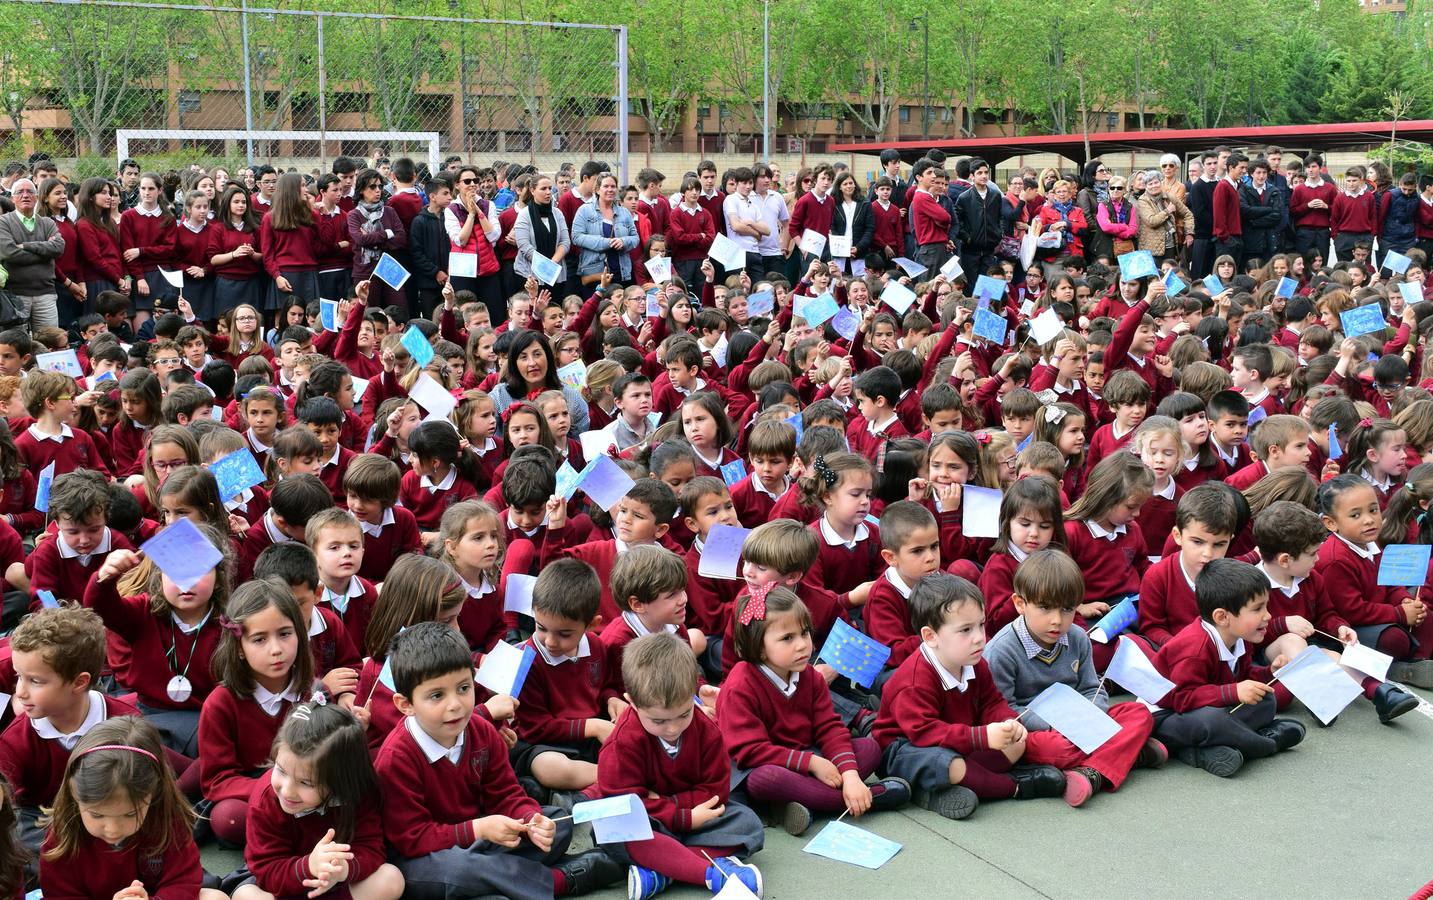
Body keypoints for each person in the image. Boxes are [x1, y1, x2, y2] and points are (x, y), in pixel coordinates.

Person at [373, 622, 621, 899]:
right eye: (436, 695)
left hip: (479, 835)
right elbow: (413, 839)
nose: (455, 704)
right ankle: (559, 881)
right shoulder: (397, 758)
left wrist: (530, 818)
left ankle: (497, 881)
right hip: (426, 856)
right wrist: (478, 829)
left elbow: (506, 794)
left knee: (556, 824)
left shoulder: (481, 731)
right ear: (405, 704)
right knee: (454, 870)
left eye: (464, 688)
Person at [985, 550, 1163, 806]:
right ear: (1020, 603)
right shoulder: (1002, 650)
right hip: (1039, 731)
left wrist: (1090, 715)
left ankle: (1092, 774)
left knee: (1139, 714)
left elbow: (1093, 687)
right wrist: (1054, 722)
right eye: (1045, 608)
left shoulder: (1078, 638)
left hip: (1082, 722)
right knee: (1056, 749)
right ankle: (1128, 753)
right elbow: (1003, 711)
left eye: (1067, 609)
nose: (1057, 620)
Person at [599, 632, 765, 897]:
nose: (673, 728)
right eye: (659, 721)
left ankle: (661, 869)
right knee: (616, 828)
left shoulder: (707, 730)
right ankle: (711, 875)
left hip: (695, 817)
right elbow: (623, 803)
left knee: (748, 824)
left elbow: (716, 790)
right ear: (632, 702)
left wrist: (679, 811)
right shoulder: (621, 743)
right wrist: (681, 815)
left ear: (692, 695)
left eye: (684, 714)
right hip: (653, 824)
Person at [1150, 559, 1307, 777]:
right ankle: (1267, 744)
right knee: (1212, 722)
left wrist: (1269, 672)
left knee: (1266, 699)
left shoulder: (1239, 637)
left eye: (1266, 606)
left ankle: (1203, 752)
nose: (1268, 616)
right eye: (1257, 608)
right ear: (1222, 617)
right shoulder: (1194, 649)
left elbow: (1244, 677)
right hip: (1167, 718)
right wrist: (1233, 691)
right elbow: (1182, 698)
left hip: (1209, 706)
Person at [0, 177, 64, 329]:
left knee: (49, 343)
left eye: (30, 191)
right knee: (17, 344)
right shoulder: (3, 222)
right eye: (20, 192)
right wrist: (45, 253)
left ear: (36, 198)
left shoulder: (47, 223)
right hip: (15, 296)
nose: (25, 195)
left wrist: (26, 245)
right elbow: (9, 253)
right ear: (12, 198)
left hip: (46, 294)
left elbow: (58, 248)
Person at [571, 174, 639, 288]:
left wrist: (623, 241)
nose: (610, 190)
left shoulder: (624, 213)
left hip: (621, 273)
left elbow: (635, 238)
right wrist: (605, 242)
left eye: (613, 186)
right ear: (597, 189)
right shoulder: (584, 210)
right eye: (606, 186)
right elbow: (576, 237)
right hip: (595, 274)